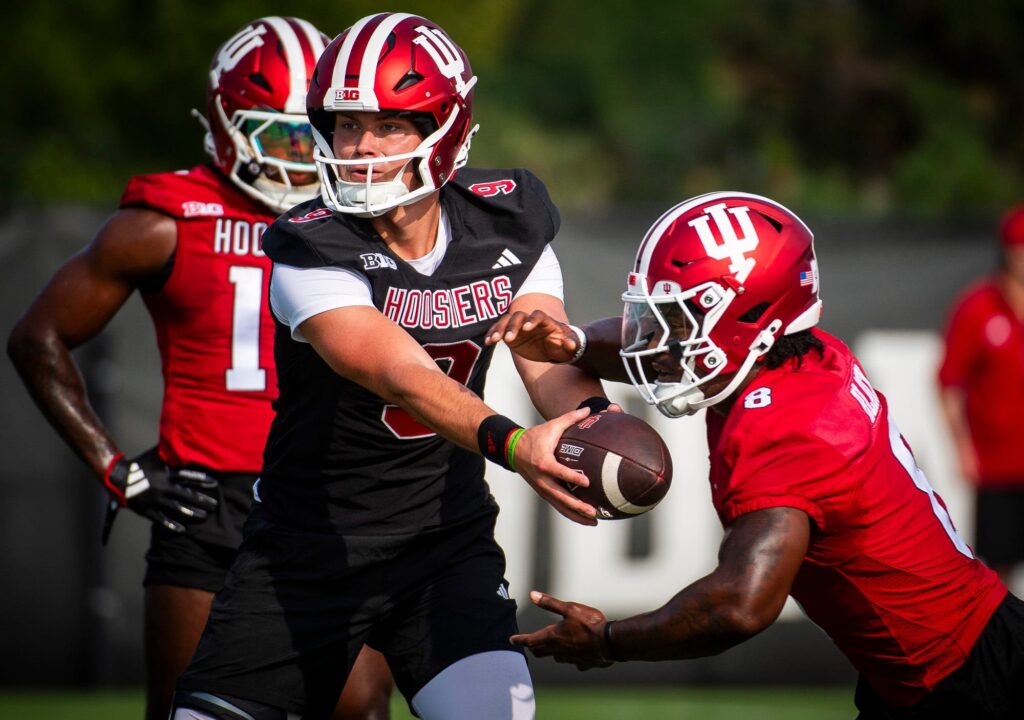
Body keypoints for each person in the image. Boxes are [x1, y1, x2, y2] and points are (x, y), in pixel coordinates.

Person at [169, 12, 606, 720]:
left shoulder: (509, 222)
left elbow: (546, 358)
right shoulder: (309, 244)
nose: (359, 146)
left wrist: (598, 430)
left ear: (448, 130)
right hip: (307, 554)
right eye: (344, 125)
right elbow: (400, 372)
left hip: (444, 549)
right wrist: (518, 445)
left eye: (388, 125)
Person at [489, 192, 1024, 719]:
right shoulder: (804, 358)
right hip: (927, 669)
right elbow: (661, 351)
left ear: (751, 319)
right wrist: (575, 344)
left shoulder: (785, 430)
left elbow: (742, 604)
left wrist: (607, 641)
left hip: (965, 683)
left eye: (677, 319)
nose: (657, 340)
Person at [7, 17, 393, 720]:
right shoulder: (167, 219)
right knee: (189, 713)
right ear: (223, 124)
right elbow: (37, 338)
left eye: (311, 135)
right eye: (277, 136)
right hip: (210, 504)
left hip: (330, 497)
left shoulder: (367, 219)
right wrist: (113, 466)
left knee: (360, 710)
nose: (299, 158)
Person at [937, 205, 1024, 588]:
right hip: (997, 467)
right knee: (998, 569)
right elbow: (950, 382)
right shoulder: (978, 308)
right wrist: (963, 447)